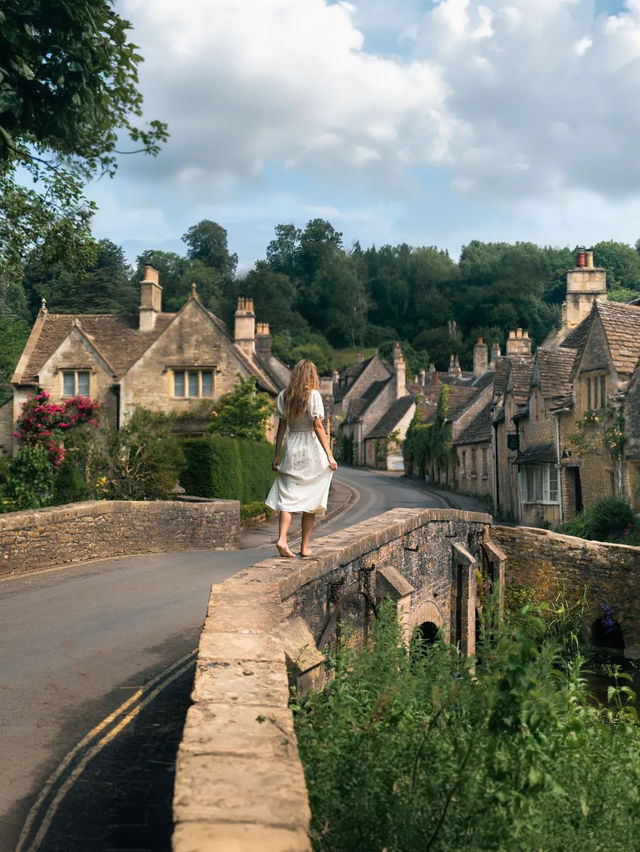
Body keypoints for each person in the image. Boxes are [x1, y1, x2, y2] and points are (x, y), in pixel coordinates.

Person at [266, 360, 338, 558]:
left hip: (292, 448)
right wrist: (329, 455)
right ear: (311, 375)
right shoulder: (313, 395)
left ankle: (282, 539)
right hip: (311, 449)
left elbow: (281, 428)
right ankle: (305, 547)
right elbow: (318, 426)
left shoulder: (283, 396)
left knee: (288, 496)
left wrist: (276, 455)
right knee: (312, 499)